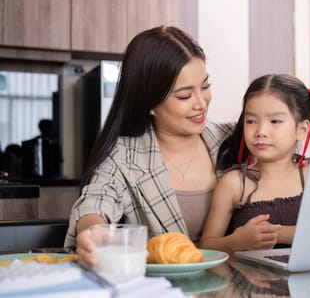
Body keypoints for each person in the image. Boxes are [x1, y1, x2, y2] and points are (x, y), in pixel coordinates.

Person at [64, 26, 234, 266]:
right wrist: (94, 233)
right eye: (185, 96)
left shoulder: (233, 140)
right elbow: (97, 200)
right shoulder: (124, 156)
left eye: (205, 87)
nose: (201, 102)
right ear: (149, 102)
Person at [199, 74, 310, 254]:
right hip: (249, 280)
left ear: (301, 129)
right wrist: (235, 242)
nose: (261, 131)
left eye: (275, 121)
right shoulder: (234, 183)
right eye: (251, 121)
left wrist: (277, 233)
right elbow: (206, 246)